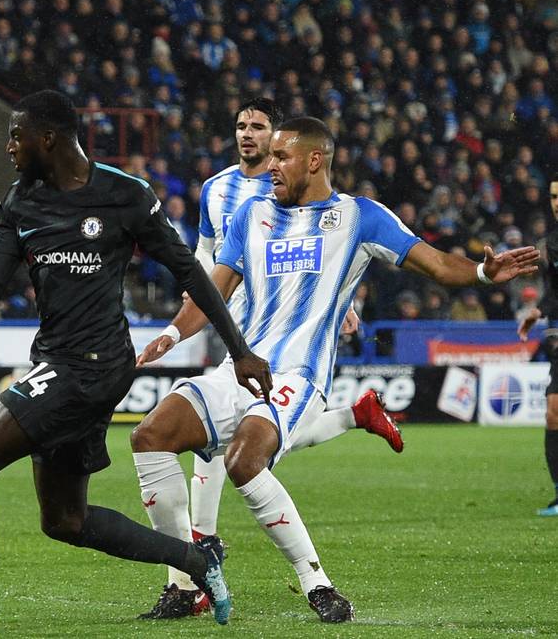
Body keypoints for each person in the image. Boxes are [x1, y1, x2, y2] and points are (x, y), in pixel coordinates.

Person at [132, 117, 539, 622]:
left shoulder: (359, 217)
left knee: (243, 460)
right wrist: (171, 334)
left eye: (281, 157)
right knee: (150, 435)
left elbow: (434, 263)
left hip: (297, 374)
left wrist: (481, 273)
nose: (271, 167)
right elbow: (214, 294)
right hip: (239, 365)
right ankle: (191, 574)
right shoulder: (250, 215)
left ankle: (315, 582)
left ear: (314, 160)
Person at [0, 91, 272, 633]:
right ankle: (196, 561)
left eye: (16, 135)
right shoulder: (19, 201)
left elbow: (191, 273)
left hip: (95, 363)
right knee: (65, 521)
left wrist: (239, 352)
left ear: (47, 138)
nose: (8, 147)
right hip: (57, 358)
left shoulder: (124, 194)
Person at [140, 98, 404, 620]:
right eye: (241, 125)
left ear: (281, 139)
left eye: (259, 127)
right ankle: (193, 564)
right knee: (210, 435)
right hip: (231, 322)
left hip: (287, 339)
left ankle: (204, 553)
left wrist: (343, 299)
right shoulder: (219, 191)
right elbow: (206, 258)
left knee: (244, 443)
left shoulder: (297, 195)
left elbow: (322, 256)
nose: (248, 135)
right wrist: (180, 324)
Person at [516, 174, 558, 517]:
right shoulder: (553, 243)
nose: (557, 203)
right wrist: (540, 312)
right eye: (554, 197)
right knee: (553, 412)